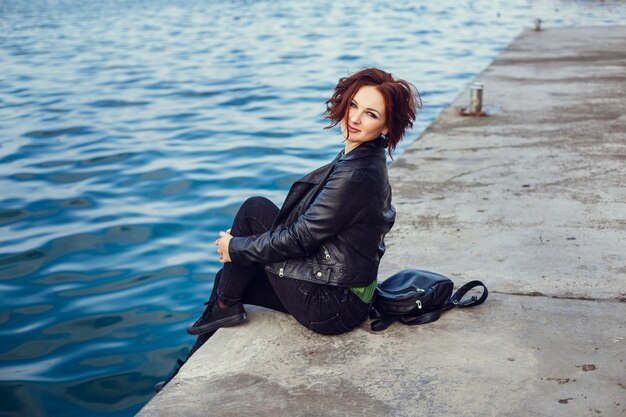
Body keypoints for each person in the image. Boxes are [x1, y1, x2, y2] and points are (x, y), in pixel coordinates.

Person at [154, 68, 420, 392]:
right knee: (229, 278)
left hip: (333, 307)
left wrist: (236, 247)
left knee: (253, 212)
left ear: (387, 126)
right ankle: (207, 335)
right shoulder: (362, 158)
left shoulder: (356, 173)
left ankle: (210, 328)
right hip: (345, 294)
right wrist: (239, 254)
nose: (355, 118)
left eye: (371, 114)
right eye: (353, 105)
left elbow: (300, 237)